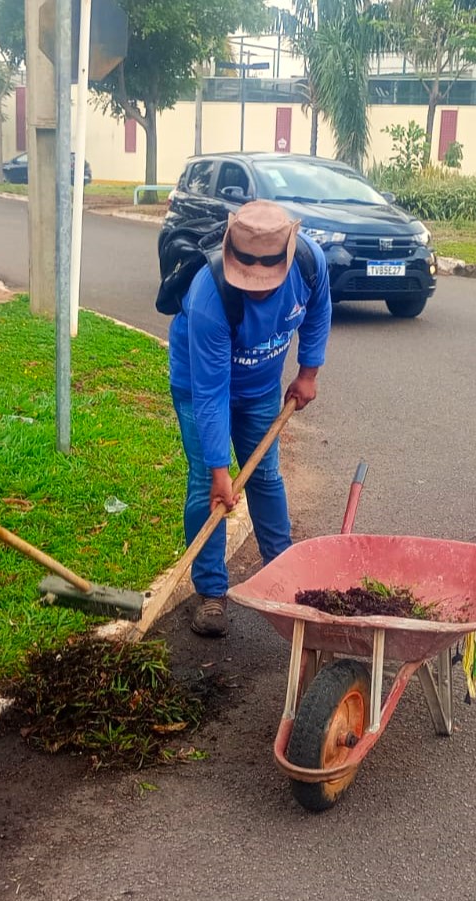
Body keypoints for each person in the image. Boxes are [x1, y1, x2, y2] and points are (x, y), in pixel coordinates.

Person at [168, 200, 331, 638]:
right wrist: (222, 470)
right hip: (200, 385)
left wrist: (308, 373)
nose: (257, 289)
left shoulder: (309, 263)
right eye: (249, 278)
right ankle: (211, 593)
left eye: (267, 280)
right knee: (207, 483)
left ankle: (284, 571)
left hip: (260, 387)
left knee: (265, 477)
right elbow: (211, 393)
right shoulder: (209, 296)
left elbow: (318, 312)